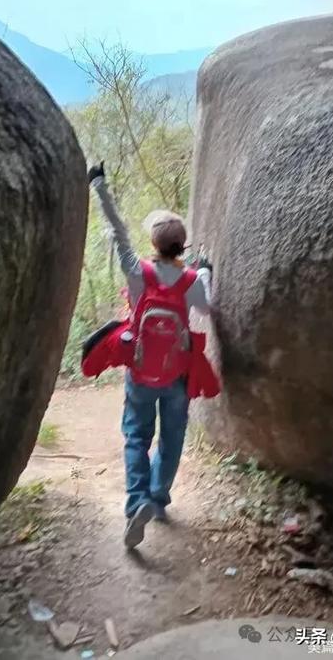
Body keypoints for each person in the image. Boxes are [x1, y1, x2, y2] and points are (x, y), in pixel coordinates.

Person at [88, 161, 213, 549]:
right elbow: (206, 308)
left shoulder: (137, 270)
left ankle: (137, 501)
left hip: (140, 373)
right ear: (182, 247)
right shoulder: (191, 280)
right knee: (172, 437)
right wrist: (204, 272)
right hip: (176, 375)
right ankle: (158, 499)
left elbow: (117, 231)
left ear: (155, 245)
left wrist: (99, 184)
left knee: (136, 436)